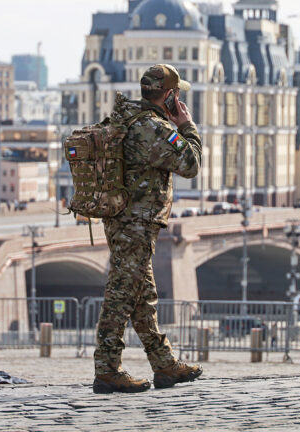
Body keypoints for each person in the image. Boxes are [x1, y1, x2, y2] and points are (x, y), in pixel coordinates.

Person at [92, 64, 203, 394]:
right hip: (137, 224)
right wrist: (186, 126)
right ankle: (107, 370)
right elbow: (191, 164)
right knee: (121, 295)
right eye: (177, 94)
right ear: (169, 96)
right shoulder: (154, 128)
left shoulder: (124, 118)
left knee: (142, 298)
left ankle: (164, 364)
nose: (179, 100)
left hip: (119, 219)